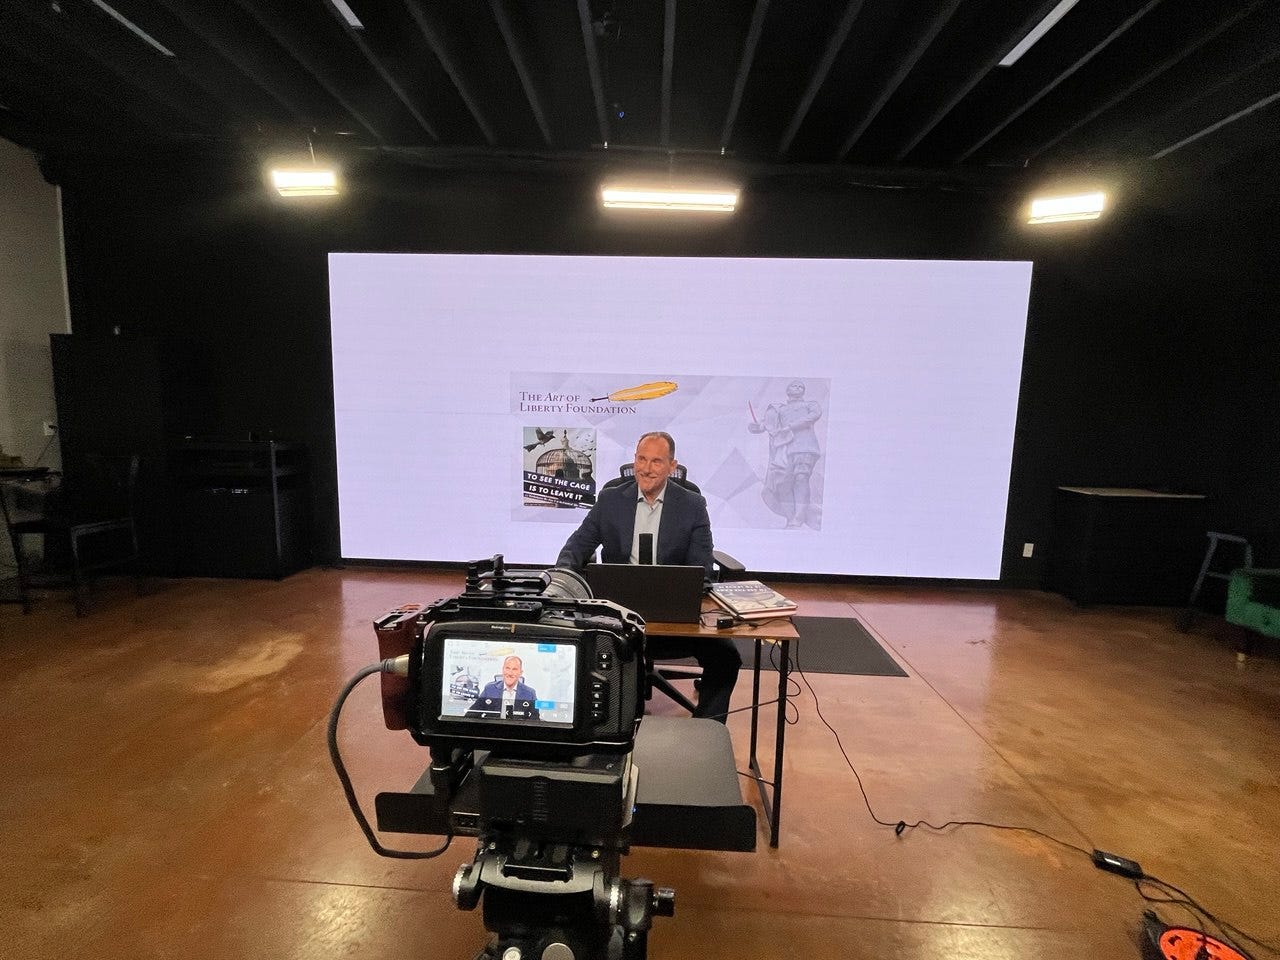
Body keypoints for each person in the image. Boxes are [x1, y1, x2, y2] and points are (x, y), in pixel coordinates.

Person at [556, 431, 741, 723]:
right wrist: (561, 582)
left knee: (726, 656)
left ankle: (707, 731)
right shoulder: (610, 500)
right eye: (641, 459)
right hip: (619, 617)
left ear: (671, 466)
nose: (646, 468)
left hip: (673, 620)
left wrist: (690, 596)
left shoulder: (692, 505)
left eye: (656, 461)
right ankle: (607, 727)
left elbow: (702, 569)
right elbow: (575, 548)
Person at [748, 379, 822, 528]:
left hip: (804, 447)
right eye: (794, 385)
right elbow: (765, 425)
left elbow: (813, 416)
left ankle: (799, 517)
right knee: (782, 484)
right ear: (788, 390)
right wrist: (755, 427)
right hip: (783, 451)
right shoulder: (779, 409)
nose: (798, 387)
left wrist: (791, 426)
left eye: (801, 386)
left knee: (801, 478)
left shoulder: (810, 405)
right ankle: (791, 517)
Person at [468, 655, 539, 720]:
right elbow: (471, 714)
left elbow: (535, 720)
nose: (510, 673)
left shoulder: (530, 693)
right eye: (507, 668)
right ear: (503, 670)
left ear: (520, 673)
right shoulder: (489, 689)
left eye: (514, 669)